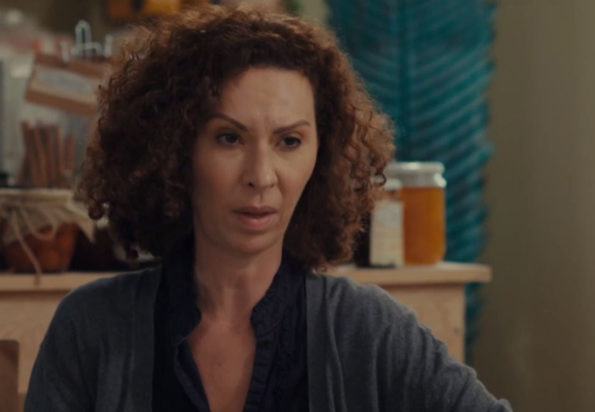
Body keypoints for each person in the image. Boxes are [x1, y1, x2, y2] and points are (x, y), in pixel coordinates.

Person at [25, 5, 512, 412]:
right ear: (175, 151)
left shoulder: (368, 330)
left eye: (289, 141)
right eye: (229, 138)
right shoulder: (91, 329)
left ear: (323, 155)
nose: (261, 175)